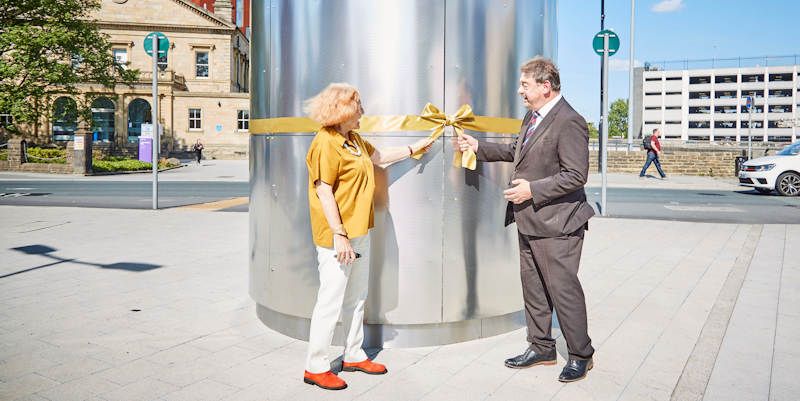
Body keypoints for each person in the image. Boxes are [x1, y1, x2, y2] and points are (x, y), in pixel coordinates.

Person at [454, 57, 595, 383]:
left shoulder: (570, 121)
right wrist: (478, 146)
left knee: (563, 290)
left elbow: (576, 175)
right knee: (533, 289)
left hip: (560, 224)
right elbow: (517, 150)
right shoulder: (533, 117)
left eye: (525, 85)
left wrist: (533, 189)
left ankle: (581, 354)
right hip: (530, 220)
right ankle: (541, 346)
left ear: (546, 87)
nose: (520, 91)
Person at [302, 83, 434, 391]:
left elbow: (381, 157)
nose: (362, 111)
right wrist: (339, 235)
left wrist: (416, 147)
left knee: (356, 297)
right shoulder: (325, 142)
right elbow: (323, 191)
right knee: (331, 300)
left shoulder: (354, 140)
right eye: (358, 106)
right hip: (338, 236)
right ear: (344, 110)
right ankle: (315, 366)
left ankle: (353, 354)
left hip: (360, 230)